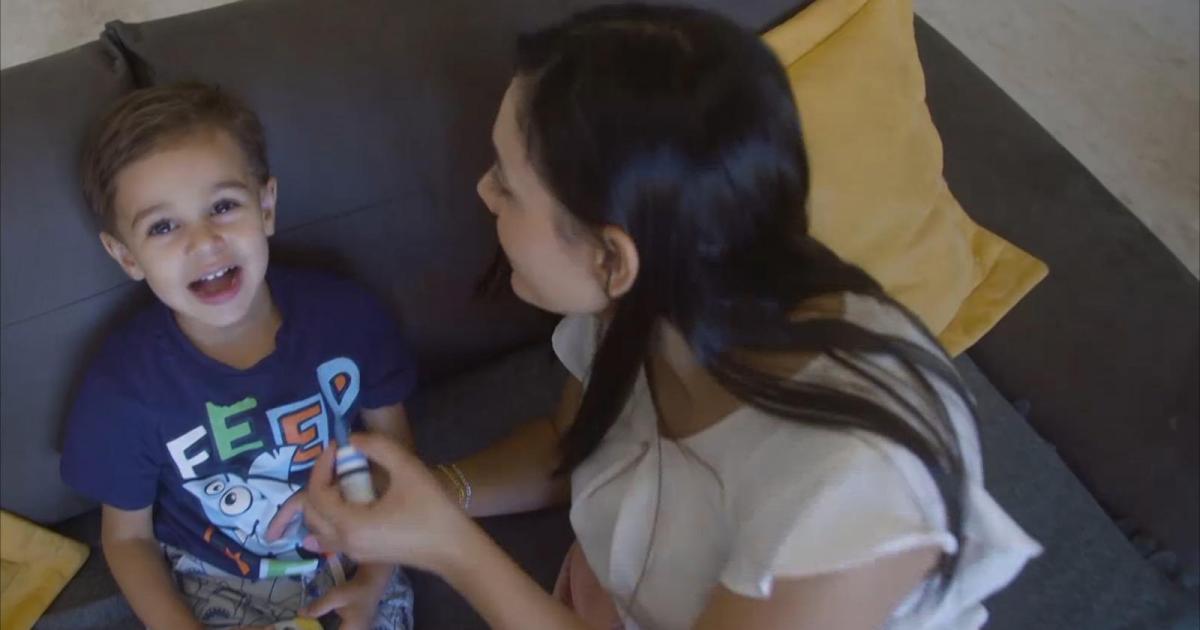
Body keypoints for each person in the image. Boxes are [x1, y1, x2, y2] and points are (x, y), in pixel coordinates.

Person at [294, 5, 1041, 629]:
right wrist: (433, 495)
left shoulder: (854, 495)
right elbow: (572, 442)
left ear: (613, 256)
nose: (483, 193)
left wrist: (447, 547)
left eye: (507, 184)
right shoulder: (662, 295)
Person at [60, 82, 416, 630]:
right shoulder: (124, 387)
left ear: (266, 206)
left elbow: (398, 458)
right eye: (163, 226)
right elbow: (127, 539)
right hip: (220, 583)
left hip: (361, 552)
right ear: (126, 255)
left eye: (223, 207)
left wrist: (373, 579)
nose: (204, 242)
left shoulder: (348, 316)